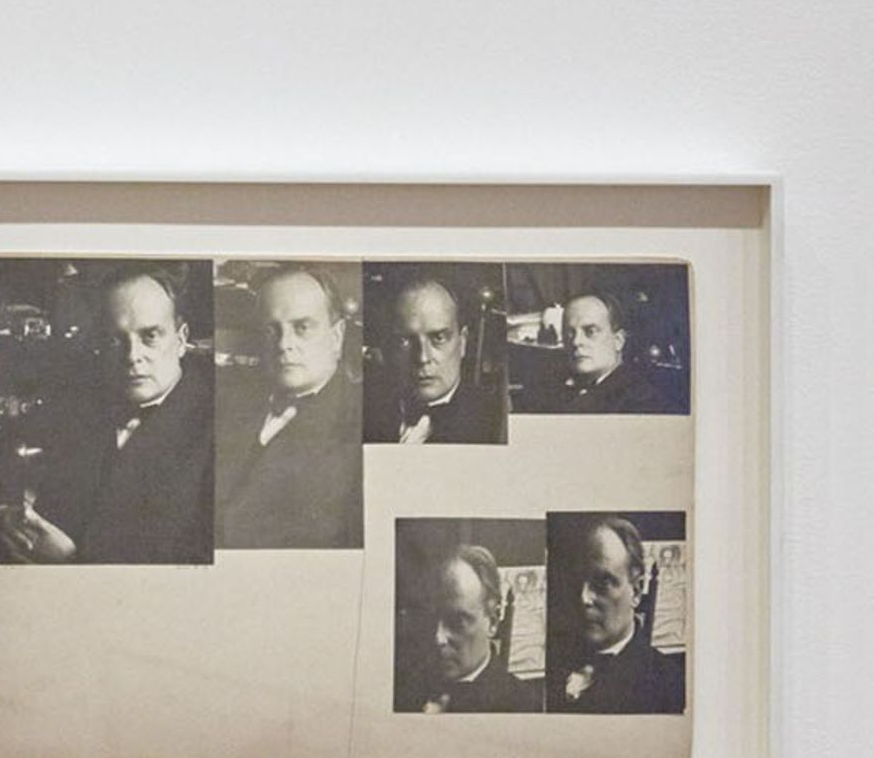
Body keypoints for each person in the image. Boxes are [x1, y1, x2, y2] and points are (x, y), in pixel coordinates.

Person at [0, 268, 214, 564]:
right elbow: (7, 461)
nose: (132, 355)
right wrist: (9, 515)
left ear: (181, 338)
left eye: (150, 336)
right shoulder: (80, 407)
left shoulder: (216, 431)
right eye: (115, 340)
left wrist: (73, 562)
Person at [217, 264, 363, 548]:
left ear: (337, 337)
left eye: (302, 328)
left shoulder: (361, 422)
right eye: (272, 330)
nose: (285, 344)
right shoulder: (227, 404)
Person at [551, 514, 685, 713]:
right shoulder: (551, 667)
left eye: (603, 582)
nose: (584, 598)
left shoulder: (670, 685)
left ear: (637, 591)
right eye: (576, 582)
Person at [398, 541, 539, 712]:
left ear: (493, 622)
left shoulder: (525, 705)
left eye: (457, 622)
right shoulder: (403, 691)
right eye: (430, 619)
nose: (438, 638)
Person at [366, 270, 503, 445]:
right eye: (405, 341)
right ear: (389, 347)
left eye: (438, 338)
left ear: (463, 342)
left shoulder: (494, 423)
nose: (423, 358)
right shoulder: (368, 414)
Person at [556, 285, 673, 414]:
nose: (576, 341)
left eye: (590, 331)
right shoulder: (559, 390)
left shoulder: (642, 404)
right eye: (569, 333)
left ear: (618, 341)